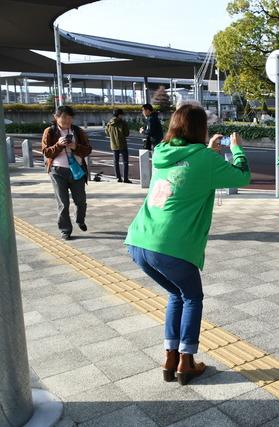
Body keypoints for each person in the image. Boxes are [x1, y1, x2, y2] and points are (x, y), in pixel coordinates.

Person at [124, 103, 251, 385]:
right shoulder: (205, 159)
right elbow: (242, 175)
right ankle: (186, 362)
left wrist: (210, 153)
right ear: (200, 128)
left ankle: (170, 358)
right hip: (171, 246)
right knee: (192, 297)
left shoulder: (162, 152)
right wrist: (236, 148)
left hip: (139, 240)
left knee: (176, 295)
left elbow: (190, 171)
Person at [41, 105, 92, 240]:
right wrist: (58, 145)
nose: (67, 120)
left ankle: (80, 219)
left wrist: (75, 147)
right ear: (56, 117)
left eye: (70, 118)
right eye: (64, 117)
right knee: (63, 203)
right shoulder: (50, 132)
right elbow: (46, 152)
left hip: (77, 170)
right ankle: (65, 230)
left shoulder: (77, 131)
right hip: (58, 171)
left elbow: (87, 150)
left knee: (80, 201)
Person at [105, 108, 131, 183]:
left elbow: (107, 133)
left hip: (113, 145)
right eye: (122, 115)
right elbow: (127, 133)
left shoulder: (109, 123)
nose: (122, 116)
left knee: (115, 162)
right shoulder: (122, 123)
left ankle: (118, 178)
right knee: (125, 162)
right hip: (122, 144)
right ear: (119, 115)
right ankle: (125, 178)